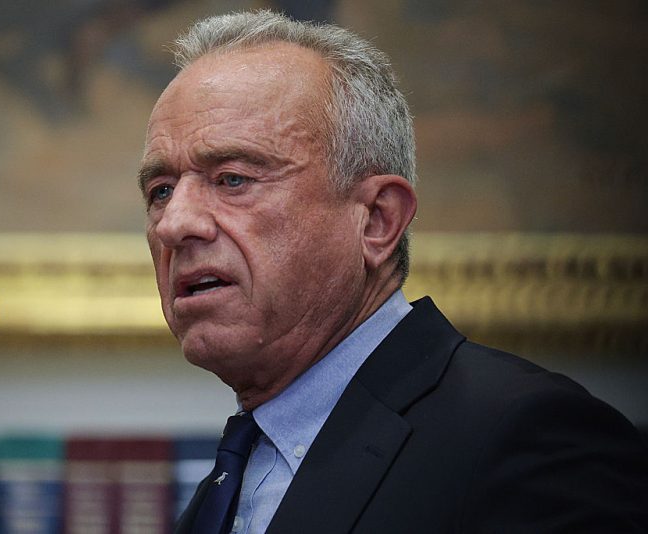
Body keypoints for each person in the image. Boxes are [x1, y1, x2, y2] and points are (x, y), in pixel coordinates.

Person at [137, 10, 648, 533]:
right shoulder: (227, 484)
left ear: (378, 220)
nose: (175, 224)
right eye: (161, 191)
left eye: (233, 179)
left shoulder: (528, 437)